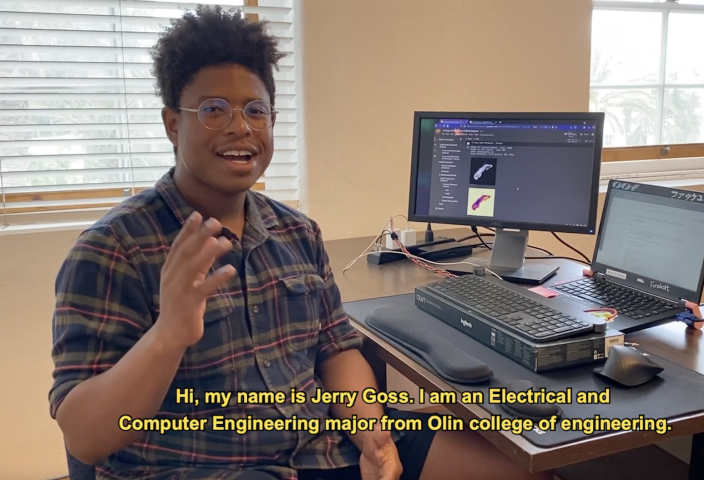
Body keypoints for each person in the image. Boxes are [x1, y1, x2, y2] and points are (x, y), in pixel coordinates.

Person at [49, 6, 553, 480]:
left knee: (521, 466)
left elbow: (337, 350)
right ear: (172, 123)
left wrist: (373, 434)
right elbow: (85, 437)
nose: (240, 127)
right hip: (205, 464)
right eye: (214, 109)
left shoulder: (297, 232)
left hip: (320, 442)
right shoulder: (113, 249)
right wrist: (168, 335)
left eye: (256, 109)